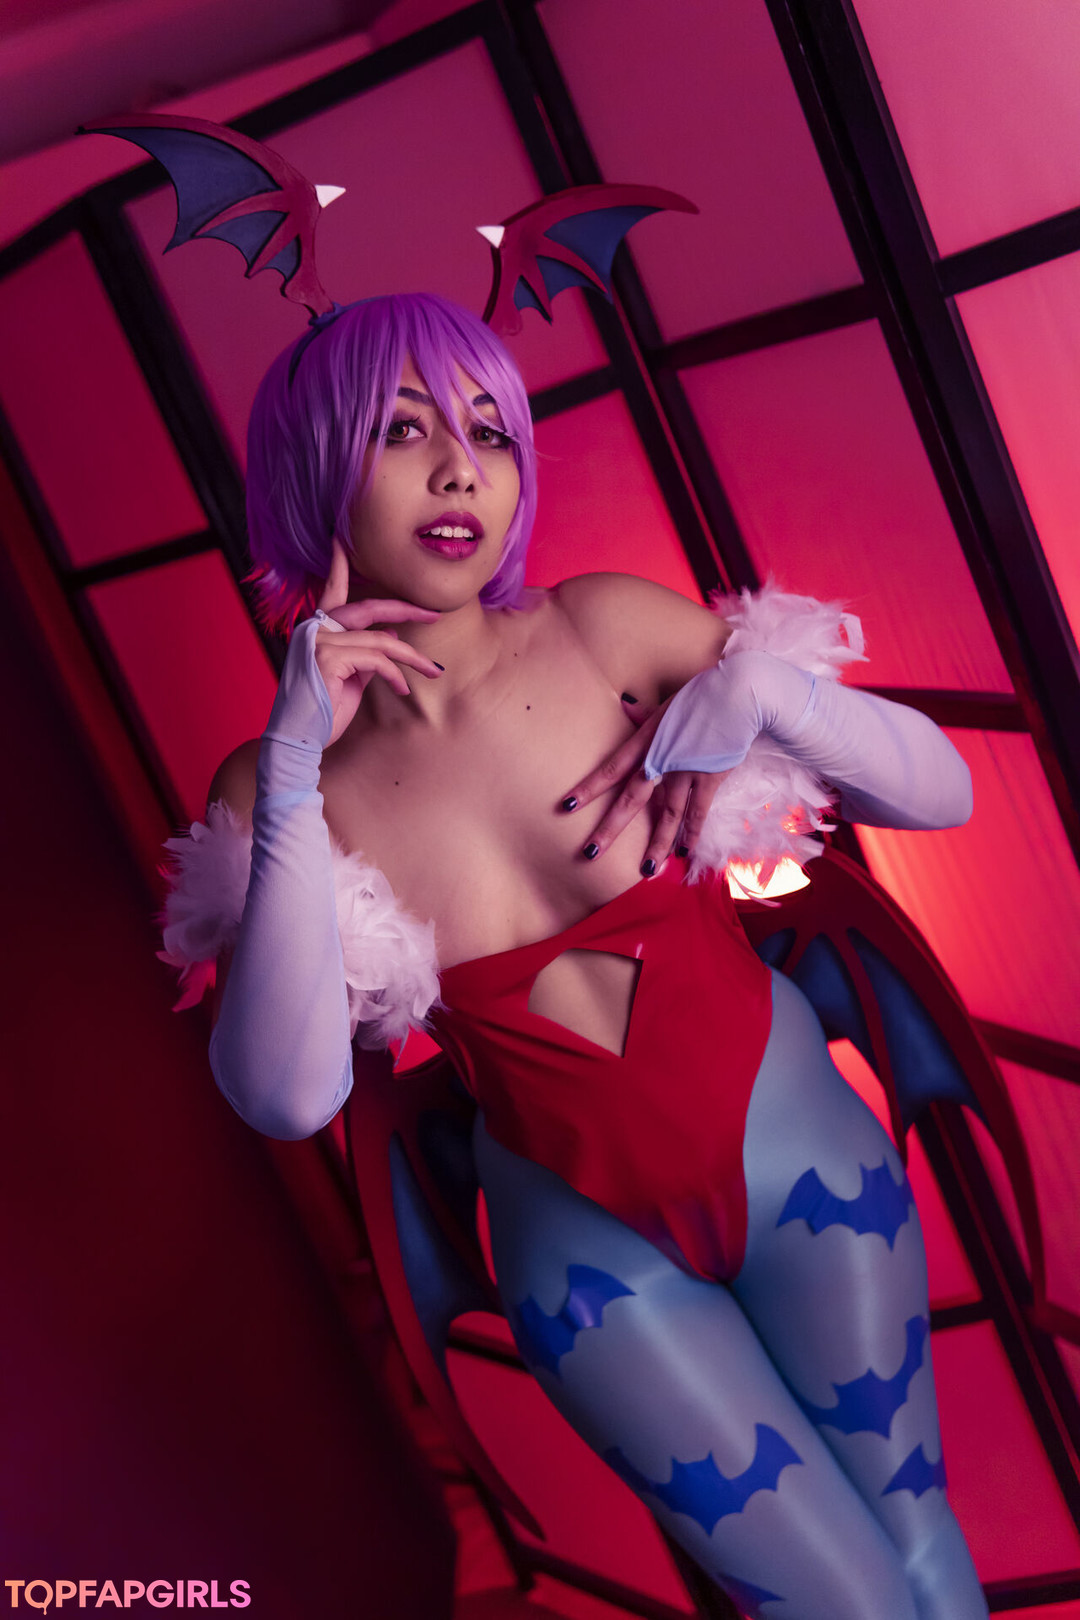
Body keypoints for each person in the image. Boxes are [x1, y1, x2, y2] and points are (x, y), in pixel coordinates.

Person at [163, 291, 987, 1619]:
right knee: (840, 1609)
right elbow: (287, 1096)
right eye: (403, 430)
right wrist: (298, 773)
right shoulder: (276, 787)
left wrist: (764, 691)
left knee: (919, 1544)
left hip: (805, 1167)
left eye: (491, 431)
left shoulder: (604, 628)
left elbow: (942, 792)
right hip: (593, 1267)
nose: (460, 469)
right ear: (314, 468)